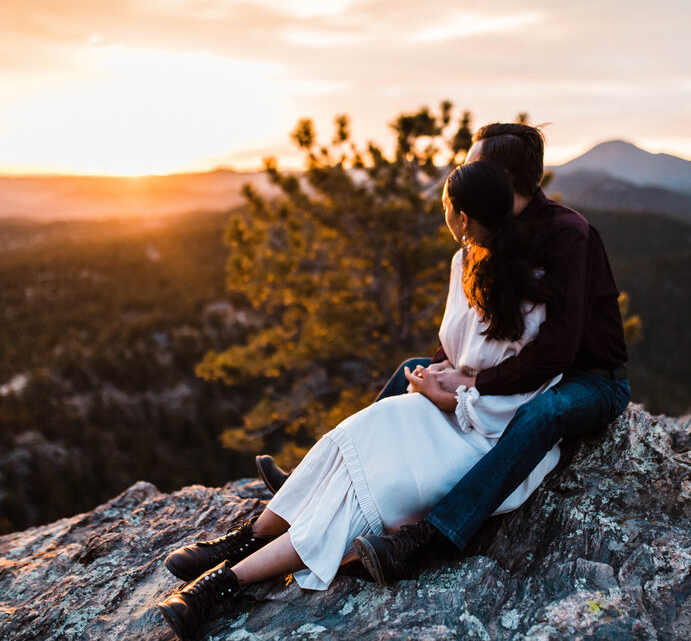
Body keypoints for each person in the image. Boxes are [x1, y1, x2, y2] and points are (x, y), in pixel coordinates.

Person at [158, 160, 566, 639]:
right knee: (353, 435)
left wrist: (452, 395)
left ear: (462, 217)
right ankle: (247, 538)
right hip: (448, 406)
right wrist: (440, 374)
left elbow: (529, 386)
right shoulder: (464, 263)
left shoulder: (534, 284)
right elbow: (463, 354)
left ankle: (221, 584)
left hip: (490, 435)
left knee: (368, 494)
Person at [259, 123, 631, 585]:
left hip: (588, 378)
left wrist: (472, 384)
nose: (461, 173)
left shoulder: (568, 233)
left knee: (544, 413)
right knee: (412, 370)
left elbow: (559, 349)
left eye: (472, 164)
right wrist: (443, 367)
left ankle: (430, 537)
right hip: (529, 367)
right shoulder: (493, 226)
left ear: (500, 175)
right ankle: (332, 479)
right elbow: (480, 319)